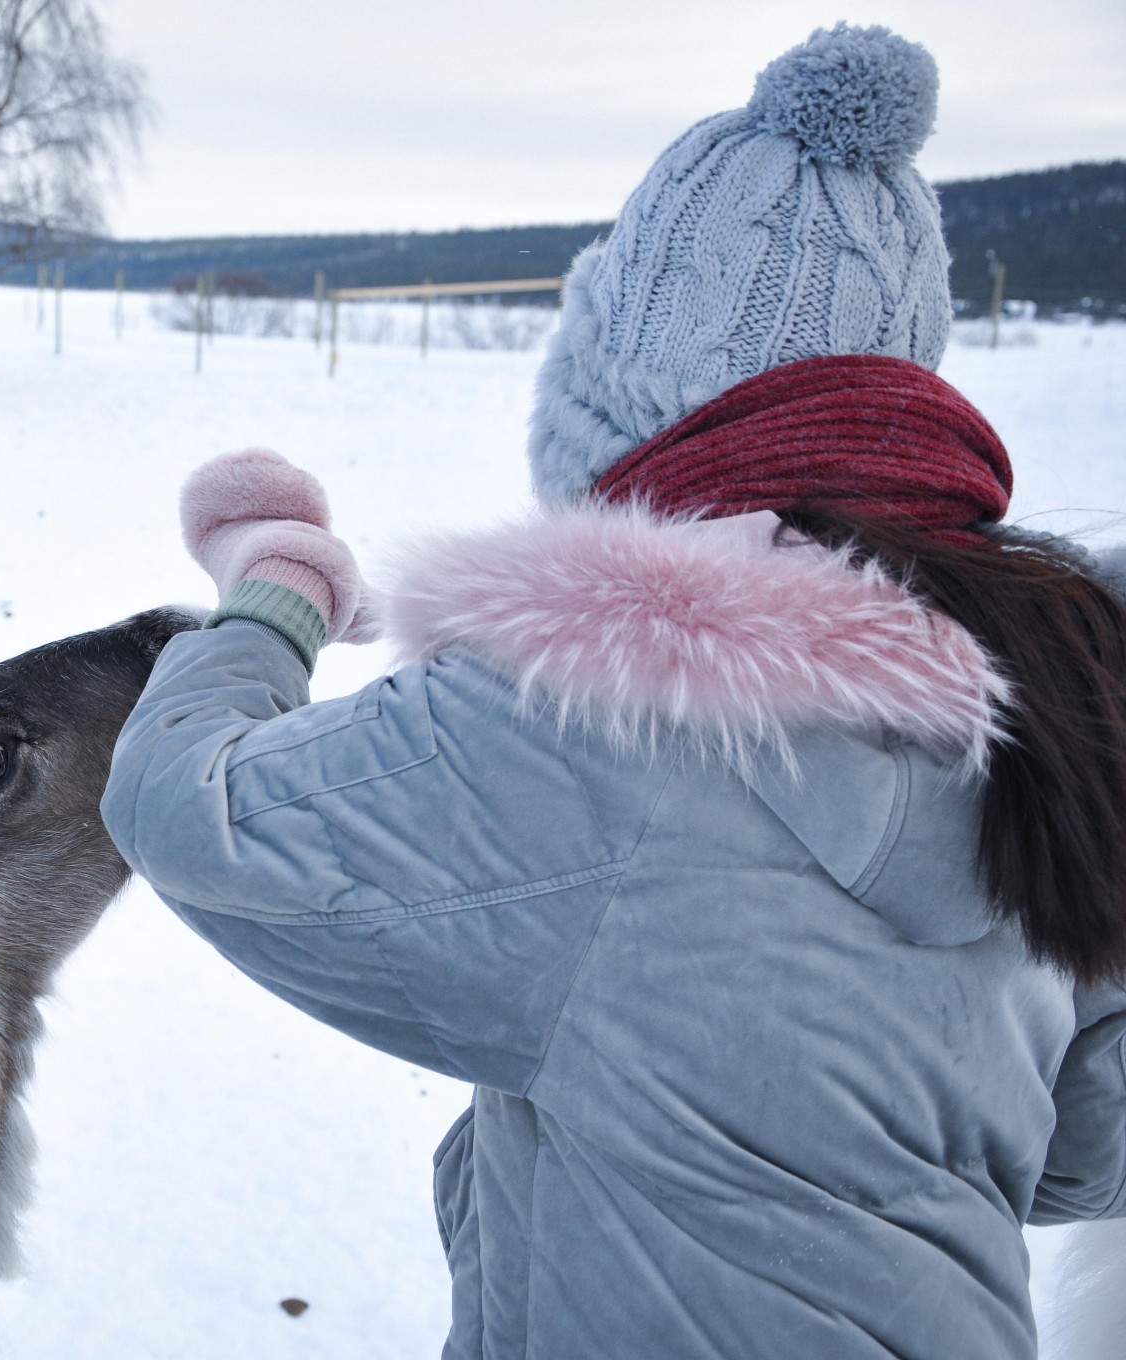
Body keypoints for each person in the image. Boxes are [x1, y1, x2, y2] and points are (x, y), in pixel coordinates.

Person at [101, 24, 1126, 1360]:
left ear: (623, 410)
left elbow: (193, 809)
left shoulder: (592, 711)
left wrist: (277, 586)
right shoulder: (1064, 701)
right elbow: (1084, 1148)